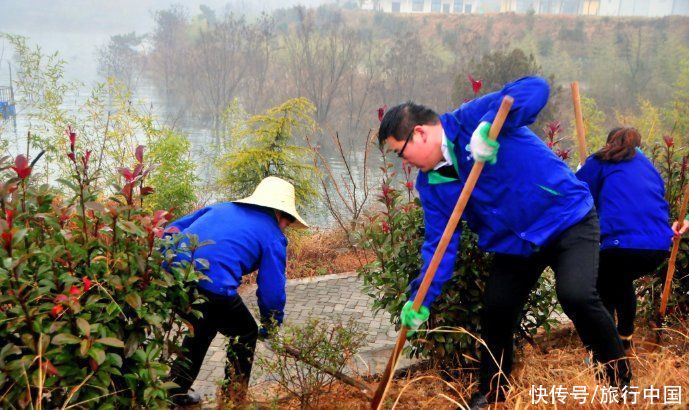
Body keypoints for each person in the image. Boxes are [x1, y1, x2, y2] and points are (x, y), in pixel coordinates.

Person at [377, 76, 630, 409]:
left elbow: (535, 88)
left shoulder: (472, 118)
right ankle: (493, 392)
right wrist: (420, 296)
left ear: (420, 132)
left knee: (577, 295)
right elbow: (440, 243)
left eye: (400, 153)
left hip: (566, 217)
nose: (404, 163)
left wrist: (488, 129)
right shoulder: (432, 184)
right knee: (497, 311)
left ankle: (619, 381)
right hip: (517, 243)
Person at [166, 176, 308, 406]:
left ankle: (173, 391)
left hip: (173, 276)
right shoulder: (273, 236)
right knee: (246, 333)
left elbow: (171, 229)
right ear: (280, 214)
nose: (286, 227)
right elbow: (271, 290)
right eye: (288, 221)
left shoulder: (219, 208)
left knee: (202, 329)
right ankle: (234, 399)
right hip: (213, 286)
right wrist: (271, 323)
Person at [576, 128, 673, 350]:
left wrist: (582, 170)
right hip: (657, 246)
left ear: (609, 142)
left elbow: (577, 191)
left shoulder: (602, 159)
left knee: (603, 286)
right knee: (620, 280)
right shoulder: (649, 167)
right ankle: (625, 337)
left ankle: (608, 348)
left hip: (621, 244)